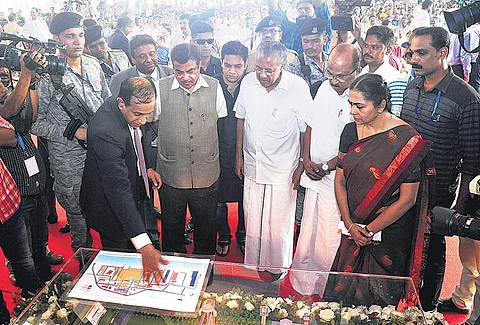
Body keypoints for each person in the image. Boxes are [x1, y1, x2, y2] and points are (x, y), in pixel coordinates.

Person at [323, 73, 431, 306]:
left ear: (381, 105)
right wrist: (350, 224)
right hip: (352, 227)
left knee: (378, 302)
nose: (352, 111)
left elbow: (407, 199)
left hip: (388, 232)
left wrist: (369, 230)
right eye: (350, 104)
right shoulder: (350, 132)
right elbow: (340, 179)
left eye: (359, 106)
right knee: (342, 298)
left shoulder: (406, 141)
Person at [401, 26, 480, 313]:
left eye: (422, 53)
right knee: (403, 245)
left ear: (443, 53)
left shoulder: (465, 97)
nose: (413, 59)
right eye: (412, 52)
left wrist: (459, 208)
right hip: (404, 186)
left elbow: (473, 160)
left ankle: (428, 309)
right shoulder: (412, 86)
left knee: (432, 250)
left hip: (440, 191)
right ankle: (402, 304)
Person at [31, 12, 111, 264]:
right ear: (57, 39)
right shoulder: (45, 77)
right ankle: (84, 263)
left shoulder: (93, 65)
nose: (77, 41)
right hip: (69, 160)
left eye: (80, 35)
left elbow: (108, 103)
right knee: (78, 216)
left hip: (101, 152)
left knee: (108, 206)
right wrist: (72, 132)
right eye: (70, 36)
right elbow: (34, 123)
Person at [234, 41, 310, 282]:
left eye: (269, 70)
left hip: (283, 167)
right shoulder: (247, 82)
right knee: (253, 216)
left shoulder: (297, 87)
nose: (262, 75)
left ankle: (277, 267)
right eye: (259, 69)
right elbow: (240, 119)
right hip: (253, 163)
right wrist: (239, 155)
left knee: (279, 220)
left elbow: (306, 127)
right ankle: (255, 262)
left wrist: (302, 163)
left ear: (283, 66)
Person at [290, 43, 361, 295]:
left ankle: (325, 287)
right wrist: (306, 159)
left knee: (329, 237)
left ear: (357, 69)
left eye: (341, 76)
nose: (334, 80)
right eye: (330, 73)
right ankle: (304, 281)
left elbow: (357, 143)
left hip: (338, 180)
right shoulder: (323, 88)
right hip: (314, 174)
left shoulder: (361, 98)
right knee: (308, 229)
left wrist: (327, 165)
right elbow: (309, 124)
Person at [80, 77, 166, 281]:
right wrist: (144, 246)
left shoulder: (128, 108)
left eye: (148, 114)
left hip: (131, 188)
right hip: (108, 206)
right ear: (121, 103)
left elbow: (136, 143)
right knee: (120, 262)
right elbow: (117, 188)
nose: (143, 121)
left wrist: (146, 168)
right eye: (137, 114)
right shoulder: (105, 132)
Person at [156, 43, 227, 256]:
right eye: (179, 71)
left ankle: (204, 267)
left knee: (206, 226)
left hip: (207, 173)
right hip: (171, 174)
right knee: (171, 226)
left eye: (191, 71)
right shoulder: (160, 88)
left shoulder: (215, 87)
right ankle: (173, 269)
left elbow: (221, 127)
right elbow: (150, 128)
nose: (185, 77)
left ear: (200, 66)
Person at [214, 40, 248, 257]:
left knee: (246, 197)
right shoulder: (211, 85)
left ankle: (244, 234)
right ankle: (223, 234)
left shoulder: (253, 85)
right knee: (218, 199)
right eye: (227, 66)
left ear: (246, 64)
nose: (232, 71)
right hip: (216, 152)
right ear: (221, 63)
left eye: (238, 66)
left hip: (246, 153)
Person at [361, 26, 408, 116]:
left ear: (388, 50)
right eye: (366, 46)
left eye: (374, 47)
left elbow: (395, 117)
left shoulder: (395, 79)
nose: (367, 51)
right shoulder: (362, 73)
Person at [110, 34, 174, 97]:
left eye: (152, 54)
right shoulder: (119, 80)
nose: (149, 60)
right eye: (142, 56)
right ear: (133, 59)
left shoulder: (172, 74)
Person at [267, 0, 332, 54]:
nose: (303, 11)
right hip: (288, 68)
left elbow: (322, 9)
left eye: (307, 9)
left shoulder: (321, 29)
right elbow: (274, 10)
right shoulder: (289, 28)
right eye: (299, 9)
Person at [285, 18, 328, 97]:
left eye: (315, 41)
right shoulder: (294, 67)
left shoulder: (332, 61)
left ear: (325, 40)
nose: (310, 46)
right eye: (306, 41)